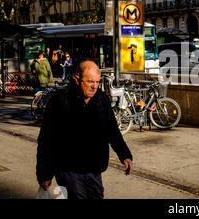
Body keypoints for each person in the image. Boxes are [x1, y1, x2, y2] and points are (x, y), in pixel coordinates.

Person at [36, 60, 133, 199]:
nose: (94, 86)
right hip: (68, 168)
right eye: (90, 82)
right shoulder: (60, 101)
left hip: (93, 168)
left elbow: (112, 130)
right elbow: (46, 139)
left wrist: (125, 155)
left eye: (97, 82)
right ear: (77, 79)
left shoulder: (101, 100)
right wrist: (44, 174)